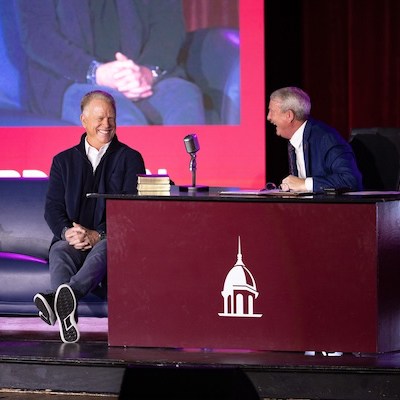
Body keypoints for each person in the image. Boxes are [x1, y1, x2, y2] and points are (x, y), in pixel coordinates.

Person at [34, 90, 146, 343]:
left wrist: (100, 234)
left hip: (110, 239)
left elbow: (132, 210)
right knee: (59, 250)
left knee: (107, 246)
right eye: (99, 118)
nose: (106, 124)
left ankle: (61, 299)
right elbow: (52, 208)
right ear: (84, 120)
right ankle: (67, 315)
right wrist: (67, 232)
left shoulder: (130, 158)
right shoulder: (63, 161)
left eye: (111, 118)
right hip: (73, 241)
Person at [15, 0, 206, 126]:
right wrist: (96, 73)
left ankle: (185, 185)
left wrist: (146, 72)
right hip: (72, 79)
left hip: (141, 75)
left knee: (184, 100)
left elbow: (168, 25)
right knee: (114, 116)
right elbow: (38, 36)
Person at [267, 87, 363, 193]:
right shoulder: (294, 141)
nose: (269, 117)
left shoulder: (326, 138)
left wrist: (305, 184)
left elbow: (350, 180)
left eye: (272, 111)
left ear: (289, 115)